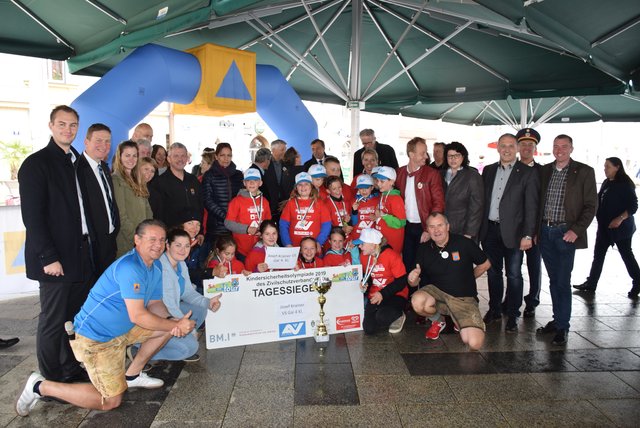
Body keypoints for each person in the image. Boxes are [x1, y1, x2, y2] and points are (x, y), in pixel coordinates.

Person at [15, 220, 196, 415]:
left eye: (161, 240)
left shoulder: (155, 266)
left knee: (165, 328)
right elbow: (138, 315)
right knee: (109, 401)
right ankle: (39, 386)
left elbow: (154, 304)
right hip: (95, 339)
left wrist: (172, 321)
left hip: (123, 329)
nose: (158, 245)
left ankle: (132, 375)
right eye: (152, 239)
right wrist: (172, 325)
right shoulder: (130, 267)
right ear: (137, 240)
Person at [18, 105, 94, 383]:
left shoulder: (75, 161)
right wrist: (48, 257)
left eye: (73, 125)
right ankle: (50, 380)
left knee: (71, 318)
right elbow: (33, 218)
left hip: (79, 254)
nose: (68, 130)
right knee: (53, 320)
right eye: (62, 124)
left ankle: (69, 366)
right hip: (54, 260)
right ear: (51, 126)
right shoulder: (36, 163)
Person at [537, 134, 597, 345]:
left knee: (562, 281)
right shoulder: (544, 170)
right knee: (554, 280)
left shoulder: (584, 171)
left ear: (571, 148)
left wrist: (576, 230)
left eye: (564, 146)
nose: (559, 150)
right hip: (545, 232)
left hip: (565, 234)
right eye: (556, 146)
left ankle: (563, 326)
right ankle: (557, 319)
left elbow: (591, 205)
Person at [480, 133, 539, 333]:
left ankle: (513, 314)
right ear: (497, 148)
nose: (506, 149)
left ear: (516, 148)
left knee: (513, 274)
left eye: (510, 146)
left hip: (514, 234)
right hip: (490, 230)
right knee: (493, 272)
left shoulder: (527, 172)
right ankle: (494, 309)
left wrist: (528, 235)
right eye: (503, 145)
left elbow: (531, 207)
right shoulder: (488, 170)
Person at [409, 213, 491, 349]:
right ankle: (439, 320)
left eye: (440, 225)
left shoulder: (464, 243)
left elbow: (485, 264)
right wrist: (413, 278)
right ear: (427, 230)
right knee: (417, 301)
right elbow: (413, 283)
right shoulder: (424, 248)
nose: (436, 230)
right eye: (432, 227)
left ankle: (458, 319)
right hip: (438, 293)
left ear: (448, 227)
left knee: (474, 343)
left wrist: (469, 278)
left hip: (462, 298)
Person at [151, 228, 221, 363]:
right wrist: (188, 329)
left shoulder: (181, 264)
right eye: (178, 245)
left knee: (200, 310)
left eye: (187, 246)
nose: (183, 250)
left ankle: (175, 340)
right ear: (167, 245)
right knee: (191, 348)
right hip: (157, 314)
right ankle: (141, 350)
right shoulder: (162, 266)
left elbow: (188, 292)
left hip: (170, 310)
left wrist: (208, 302)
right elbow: (168, 305)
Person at [573, 157, 640, 298]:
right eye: (604, 166)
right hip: (604, 227)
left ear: (617, 167)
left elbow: (633, 206)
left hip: (621, 229)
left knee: (626, 255)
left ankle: (638, 282)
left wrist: (620, 218)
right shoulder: (606, 183)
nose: (605, 169)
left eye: (608, 167)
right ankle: (591, 283)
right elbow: (598, 201)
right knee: (598, 256)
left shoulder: (625, 184)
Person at [395, 137, 445, 272]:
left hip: (423, 226)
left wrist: (429, 228)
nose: (426, 156)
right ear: (411, 155)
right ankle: (410, 293)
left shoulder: (432, 174)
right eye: (422, 153)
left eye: (426, 152)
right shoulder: (399, 173)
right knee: (407, 264)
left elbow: (438, 203)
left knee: (425, 265)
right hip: (404, 227)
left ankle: (425, 292)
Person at [76, 123, 120, 277]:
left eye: (107, 141)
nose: (104, 145)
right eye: (99, 140)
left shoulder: (104, 168)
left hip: (109, 241)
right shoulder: (77, 170)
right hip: (91, 247)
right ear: (86, 142)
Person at [356, 228, 407, 335]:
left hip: (395, 294)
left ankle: (399, 314)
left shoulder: (392, 255)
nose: (360, 246)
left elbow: (402, 281)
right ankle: (385, 311)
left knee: (382, 316)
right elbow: (369, 276)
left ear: (373, 245)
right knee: (368, 329)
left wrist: (383, 294)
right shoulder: (364, 256)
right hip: (375, 294)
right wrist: (365, 284)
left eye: (362, 244)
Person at [515, 128, 544, 317]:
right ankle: (512, 299)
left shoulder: (543, 172)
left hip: (534, 229)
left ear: (535, 148)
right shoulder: (511, 169)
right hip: (513, 228)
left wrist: (535, 230)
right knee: (513, 269)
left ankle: (532, 301)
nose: (526, 148)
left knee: (534, 266)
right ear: (518, 147)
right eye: (523, 144)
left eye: (530, 145)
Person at [149, 142, 203, 233]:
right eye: (176, 156)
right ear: (169, 159)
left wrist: (201, 231)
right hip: (171, 235)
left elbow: (200, 206)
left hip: (194, 234)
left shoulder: (193, 180)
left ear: (187, 158)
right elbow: (157, 214)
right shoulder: (159, 183)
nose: (180, 159)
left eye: (183, 156)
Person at [112, 140, 153, 258]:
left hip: (143, 239)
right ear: (120, 157)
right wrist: (137, 239)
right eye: (127, 155)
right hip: (128, 241)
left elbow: (148, 211)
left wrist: (149, 234)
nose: (131, 159)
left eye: (134, 155)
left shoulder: (139, 179)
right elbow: (121, 216)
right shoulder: (116, 180)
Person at [202, 143, 244, 247]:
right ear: (216, 156)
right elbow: (207, 200)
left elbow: (242, 197)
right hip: (217, 227)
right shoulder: (209, 175)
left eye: (229, 155)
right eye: (222, 155)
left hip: (235, 226)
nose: (226, 158)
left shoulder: (238, 175)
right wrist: (226, 217)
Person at [441, 141, 483, 241]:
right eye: (450, 156)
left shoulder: (472, 176)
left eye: (457, 155)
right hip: (442, 228)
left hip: (463, 230)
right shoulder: (440, 174)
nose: (453, 159)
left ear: (463, 157)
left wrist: (469, 232)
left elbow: (477, 207)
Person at [280, 172, 332, 250]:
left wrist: (319, 242)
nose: (303, 187)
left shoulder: (319, 203)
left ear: (311, 186)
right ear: (296, 188)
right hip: (294, 248)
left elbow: (326, 225)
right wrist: (287, 243)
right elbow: (283, 225)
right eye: (300, 184)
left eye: (306, 184)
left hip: (313, 248)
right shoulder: (291, 203)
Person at [373, 166, 406, 253]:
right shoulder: (383, 195)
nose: (379, 184)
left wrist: (383, 215)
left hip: (392, 243)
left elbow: (401, 223)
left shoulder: (396, 199)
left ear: (391, 182)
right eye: (377, 180)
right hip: (382, 239)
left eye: (382, 181)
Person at [262, 139, 289, 222]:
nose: (284, 152)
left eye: (285, 149)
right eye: (282, 150)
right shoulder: (264, 163)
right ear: (273, 150)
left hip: (284, 205)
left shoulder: (287, 164)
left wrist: (287, 200)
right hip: (268, 205)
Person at [350, 174, 380, 242]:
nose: (363, 191)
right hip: (357, 235)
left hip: (372, 237)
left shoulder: (378, 200)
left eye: (366, 188)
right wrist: (354, 211)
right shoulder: (354, 201)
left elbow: (381, 219)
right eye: (360, 188)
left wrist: (376, 218)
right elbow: (354, 223)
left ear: (372, 187)